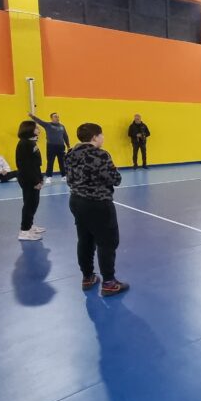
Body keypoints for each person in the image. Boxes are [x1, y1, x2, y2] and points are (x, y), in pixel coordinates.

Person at [66, 122, 128, 296]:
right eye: (101, 135)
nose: (103, 138)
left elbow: (69, 178)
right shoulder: (100, 154)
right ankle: (109, 283)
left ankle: (88, 277)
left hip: (76, 201)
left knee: (85, 239)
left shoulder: (70, 153)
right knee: (107, 242)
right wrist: (114, 171)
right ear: (94, 137)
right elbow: (115, 179)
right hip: (98, 203)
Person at [15, 121, 45, 241]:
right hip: (28, 178)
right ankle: (24, 231)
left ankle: (30, 225)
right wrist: (35, 181)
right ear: (29, 129)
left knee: (34, 203)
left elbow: (35, 164)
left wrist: (40, 178)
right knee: (30, 204)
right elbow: (25, 165)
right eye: (36, 128)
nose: (39, 130)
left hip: (34, 176)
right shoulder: (24, 144)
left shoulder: (31, 142)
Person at [29, 111, 71, 183]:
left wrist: (68, 146)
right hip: (51, 146)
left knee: (62, 161)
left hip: (61, 146)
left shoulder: (62, 126)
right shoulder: (47, 125)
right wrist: (32, 116)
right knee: (50, 161)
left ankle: (64, 176)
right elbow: (39, 121)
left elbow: (65, 136)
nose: (57, 118)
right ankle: (49, 177)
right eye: (55, 116)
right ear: (51, 118)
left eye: (58, 116)